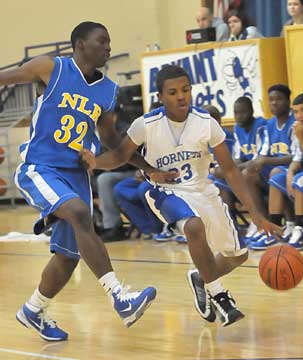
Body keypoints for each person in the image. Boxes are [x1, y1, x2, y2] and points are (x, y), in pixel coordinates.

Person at [0, 21, 177, 341]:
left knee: (68, 258)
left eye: (109, 42)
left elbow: (113, 141)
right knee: (81, 213)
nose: (109, 47)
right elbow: (4, 79)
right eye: (103, 41)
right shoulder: (51, 68)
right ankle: (120, 298)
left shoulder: (108, 91)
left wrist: (148, 167)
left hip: (76, 175)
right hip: (40, 168)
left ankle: (33, 310)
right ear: (80, 44)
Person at [80, 65, 281, 326]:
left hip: (203, 191)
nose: (181, 96)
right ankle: (220, 295)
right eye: (173, 92)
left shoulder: (206, 123)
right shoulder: (146, 124)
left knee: (237, 255)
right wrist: (94, 162)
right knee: (193, 226)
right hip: (166, 191)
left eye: (185, 90)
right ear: (160, 96)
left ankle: (201, 277)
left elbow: (231, 171)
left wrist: (257, 216)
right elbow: (120, 155)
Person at [242, 85, 296, 249]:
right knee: (248, 174)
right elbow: (262, 154)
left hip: (294, 170)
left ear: (288, 101)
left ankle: (279, 227)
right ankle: (262, 223)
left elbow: (296, 156)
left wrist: (265, 161)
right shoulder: (270, 125)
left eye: (278, 99)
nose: (274, 103)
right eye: (271, 100)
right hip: (278, 172)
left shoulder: (295, 123)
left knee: (275, 172)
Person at [267, 93, 303, 249]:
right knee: (277, 177)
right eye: (295, 112)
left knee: (299, 180)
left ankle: (300, 228)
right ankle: (276, 228)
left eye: (302, 110)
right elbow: (297, 158)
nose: (299, 115)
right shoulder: (298, 128)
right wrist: (289, 173)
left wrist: (301, 137)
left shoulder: (298, 131)